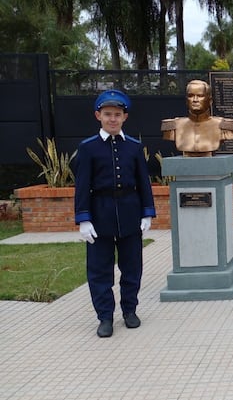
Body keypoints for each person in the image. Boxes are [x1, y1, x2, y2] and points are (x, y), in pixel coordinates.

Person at [74, 89, 157, 338]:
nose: (112, 119)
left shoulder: (133, 146)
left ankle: (129, 310)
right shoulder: (87, 148)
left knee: (132, 267)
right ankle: (105, 316)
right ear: (98, 115)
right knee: (100, 269)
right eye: (108, 114)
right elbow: (82, 185)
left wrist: (147, 213)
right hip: (100, 215)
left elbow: (144, 182)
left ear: (125, 117)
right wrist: (83, 218)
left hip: (130, 212)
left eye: (117, 114)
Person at [160, 80, 233, 157]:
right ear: (187, 100)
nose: (195, 100)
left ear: (210, 101)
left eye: (200, 96)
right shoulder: (173, 125)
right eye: (190, 96)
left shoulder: (224, 125)